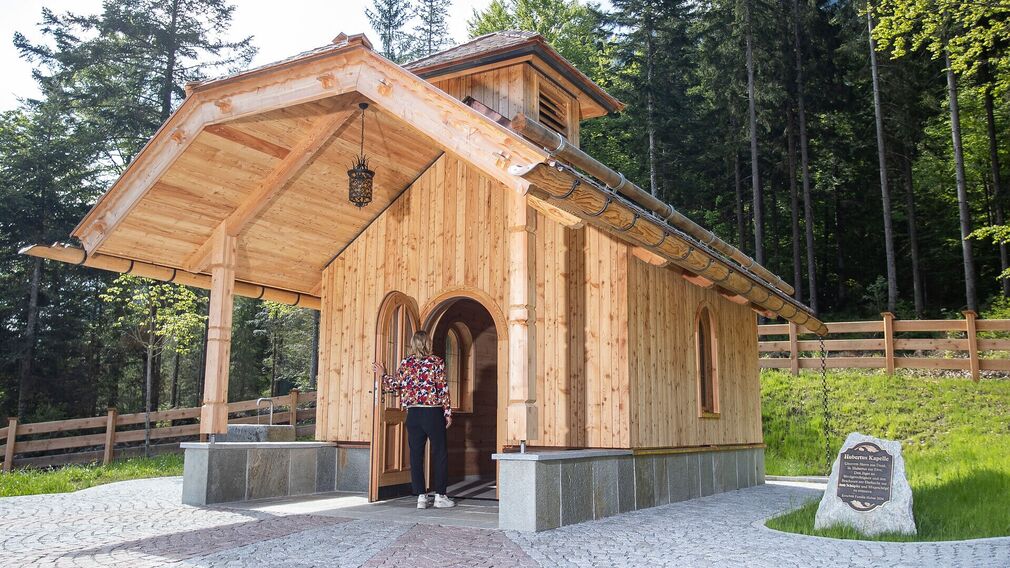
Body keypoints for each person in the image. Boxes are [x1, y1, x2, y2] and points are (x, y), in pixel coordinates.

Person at [372, 330, 455, 509]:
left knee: (416, 455)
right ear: (428, 343)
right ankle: (440, 496)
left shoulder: (406, 363)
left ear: (413, 344)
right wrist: (448, 413)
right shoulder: (437, 362)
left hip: (414, 414)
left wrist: (382, 374)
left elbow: (395, 384)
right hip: (433, 413)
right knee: (440, 453)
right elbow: (442, 389)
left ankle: (421, 497)